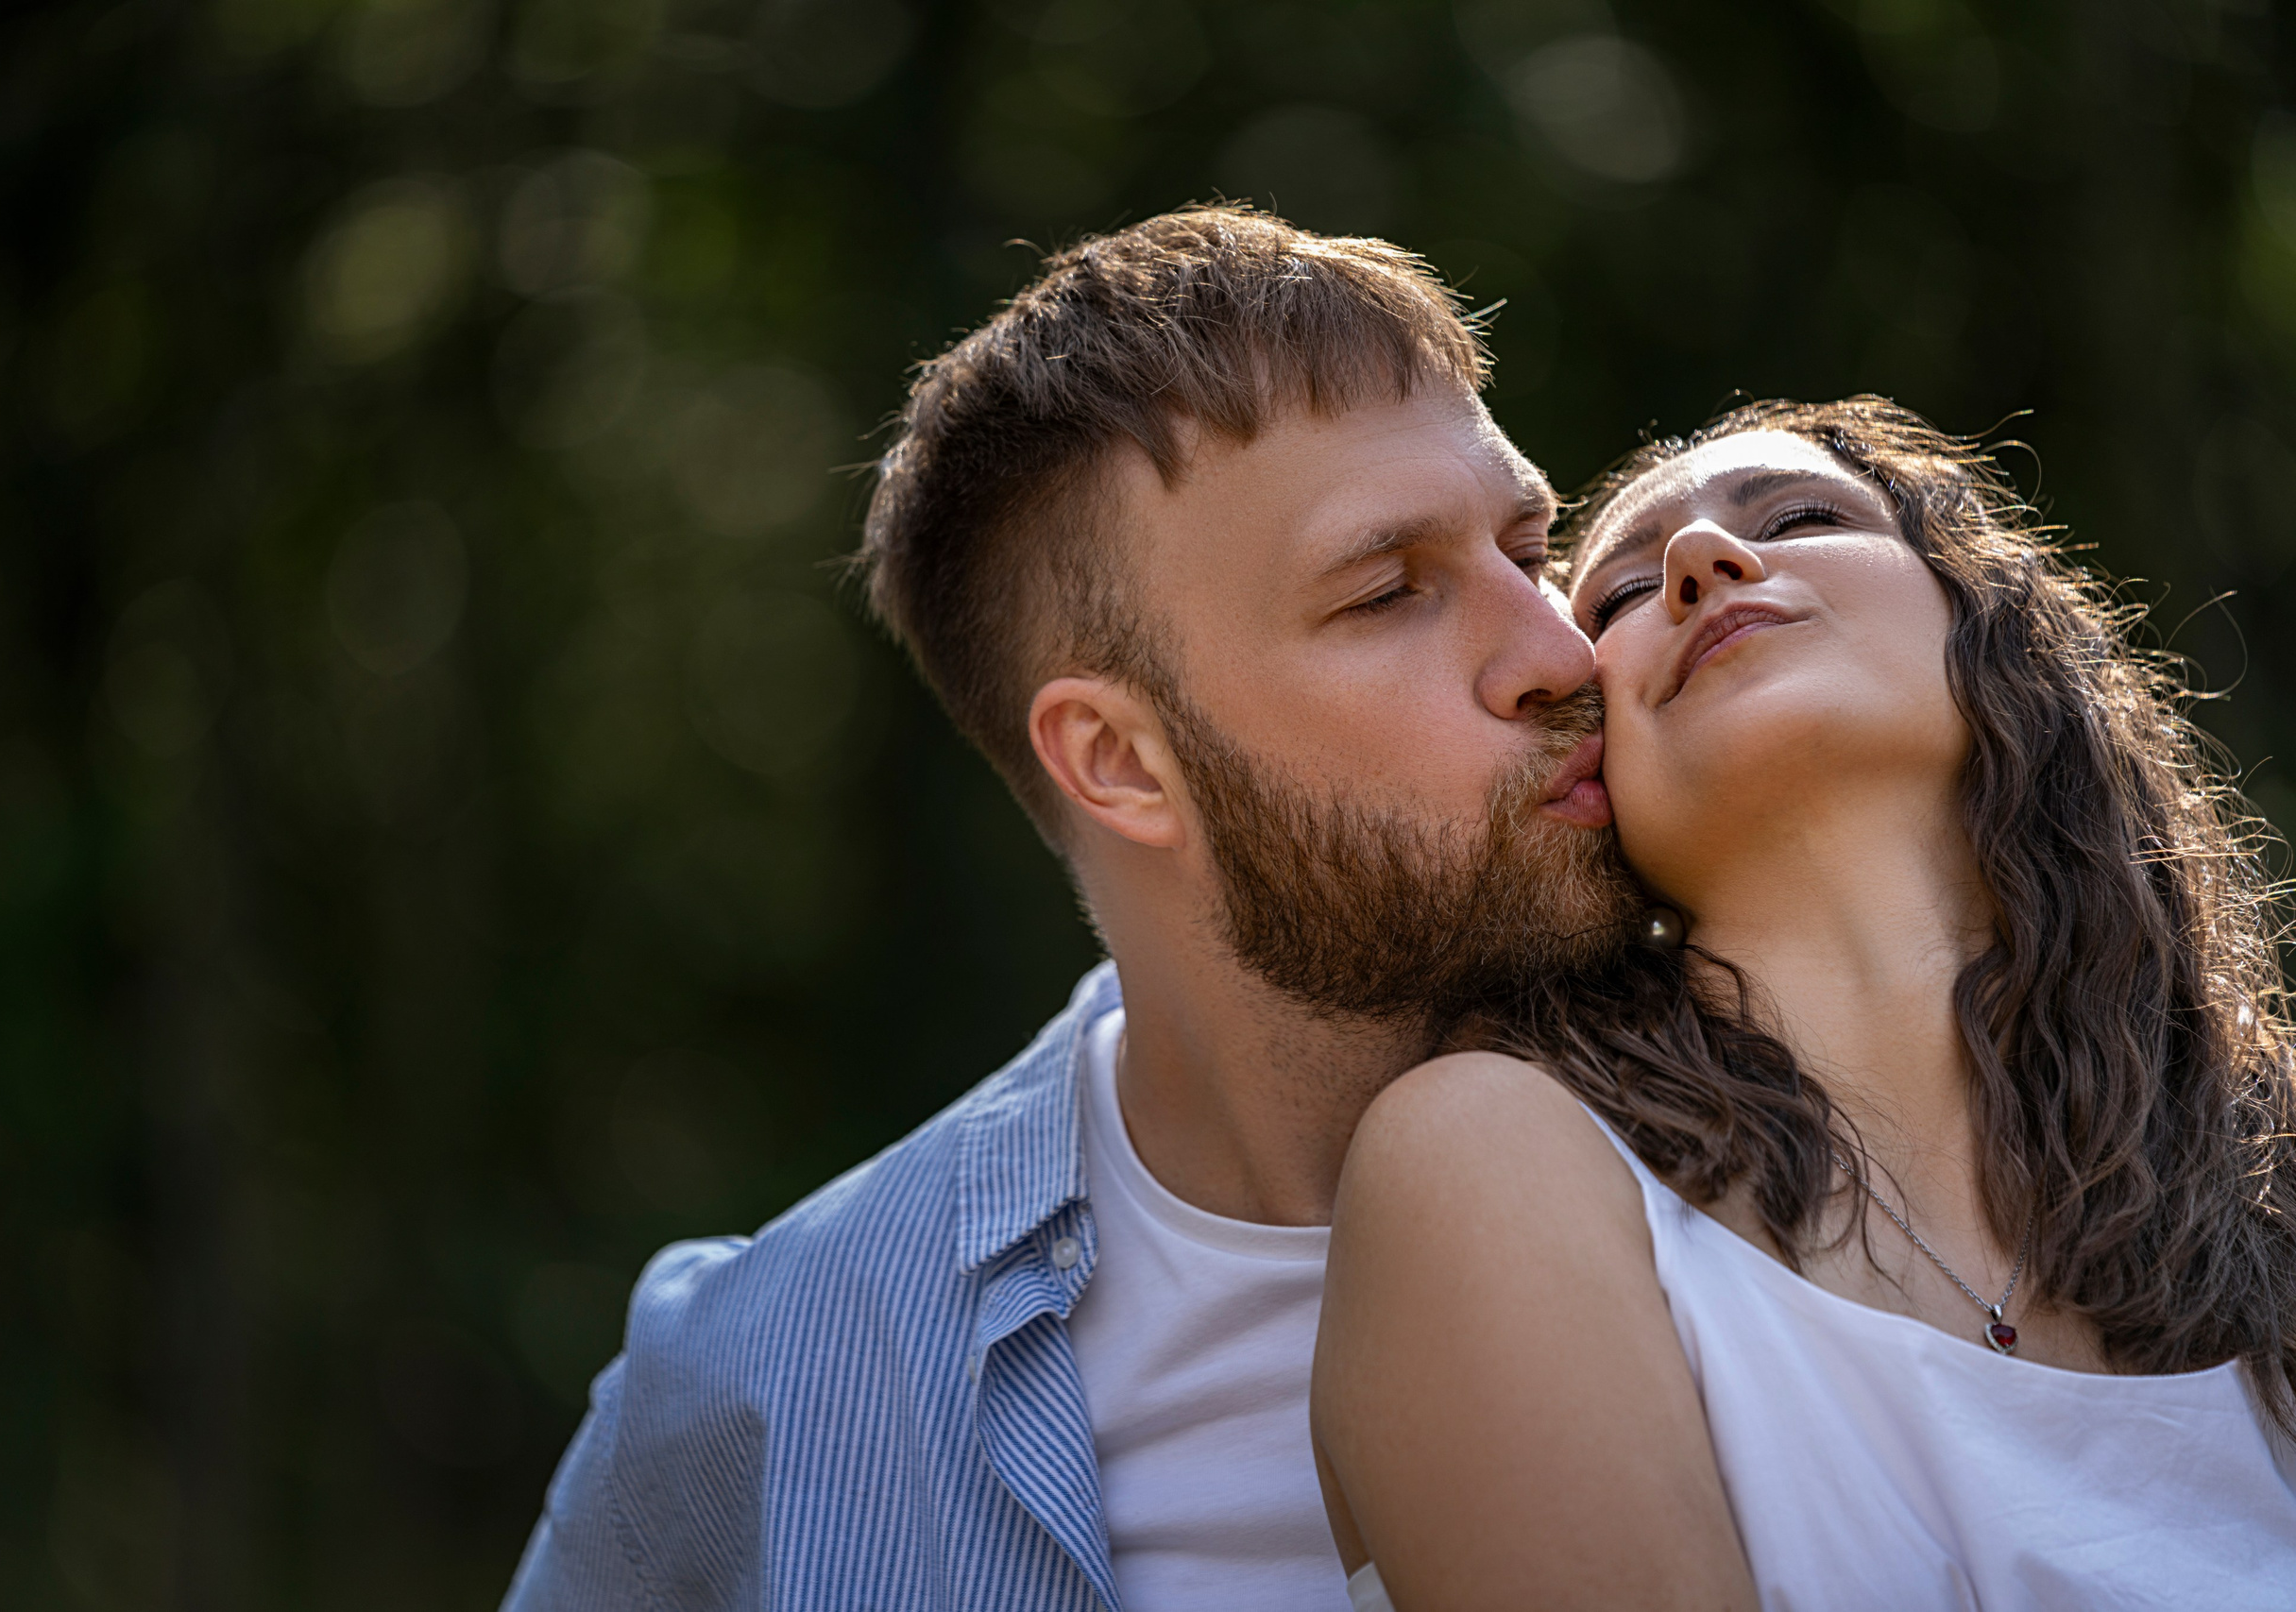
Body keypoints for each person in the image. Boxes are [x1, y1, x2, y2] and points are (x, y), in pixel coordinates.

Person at [501, 206, 1641, 1610]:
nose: (1562, 649)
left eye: (1533, 549)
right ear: (1121, 762)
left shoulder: (1872, 1146)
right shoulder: (768, 1383)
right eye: (1390, 592)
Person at [1312, 397, 2296, 1612]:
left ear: (1999, 633)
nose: (1698, 561)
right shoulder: (1491, 1155)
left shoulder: (2269, 1190)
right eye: (1615, 596)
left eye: (1800, 516)